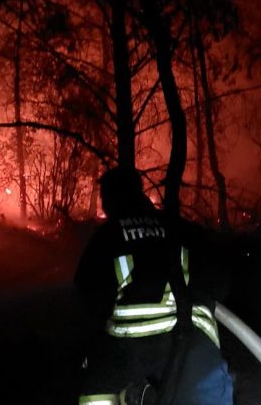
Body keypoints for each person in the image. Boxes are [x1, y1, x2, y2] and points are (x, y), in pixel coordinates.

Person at [74, 167, 233, 405]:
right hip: (194, 338)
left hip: (131, 345)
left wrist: (95, 353)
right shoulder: (181, 227)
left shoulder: (107, 237)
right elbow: (221, 279)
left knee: (95, 392)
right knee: (206, 386)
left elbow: (90, 299)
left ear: (109, 200)